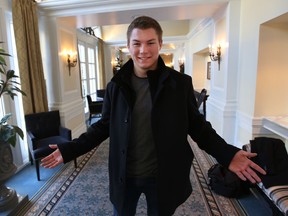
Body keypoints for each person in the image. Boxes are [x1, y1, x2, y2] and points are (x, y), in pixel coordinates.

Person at [41, 16, 266, 216]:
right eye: (136, 43)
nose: (143, 50)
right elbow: (103, 127)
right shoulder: (116, 86)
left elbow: (198, 127)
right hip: (124, 175)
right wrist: (70, 149)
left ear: (160, 43)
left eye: (150, 43)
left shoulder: (179, 84)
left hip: (163, 176)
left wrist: (228, 154)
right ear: (128, 46)